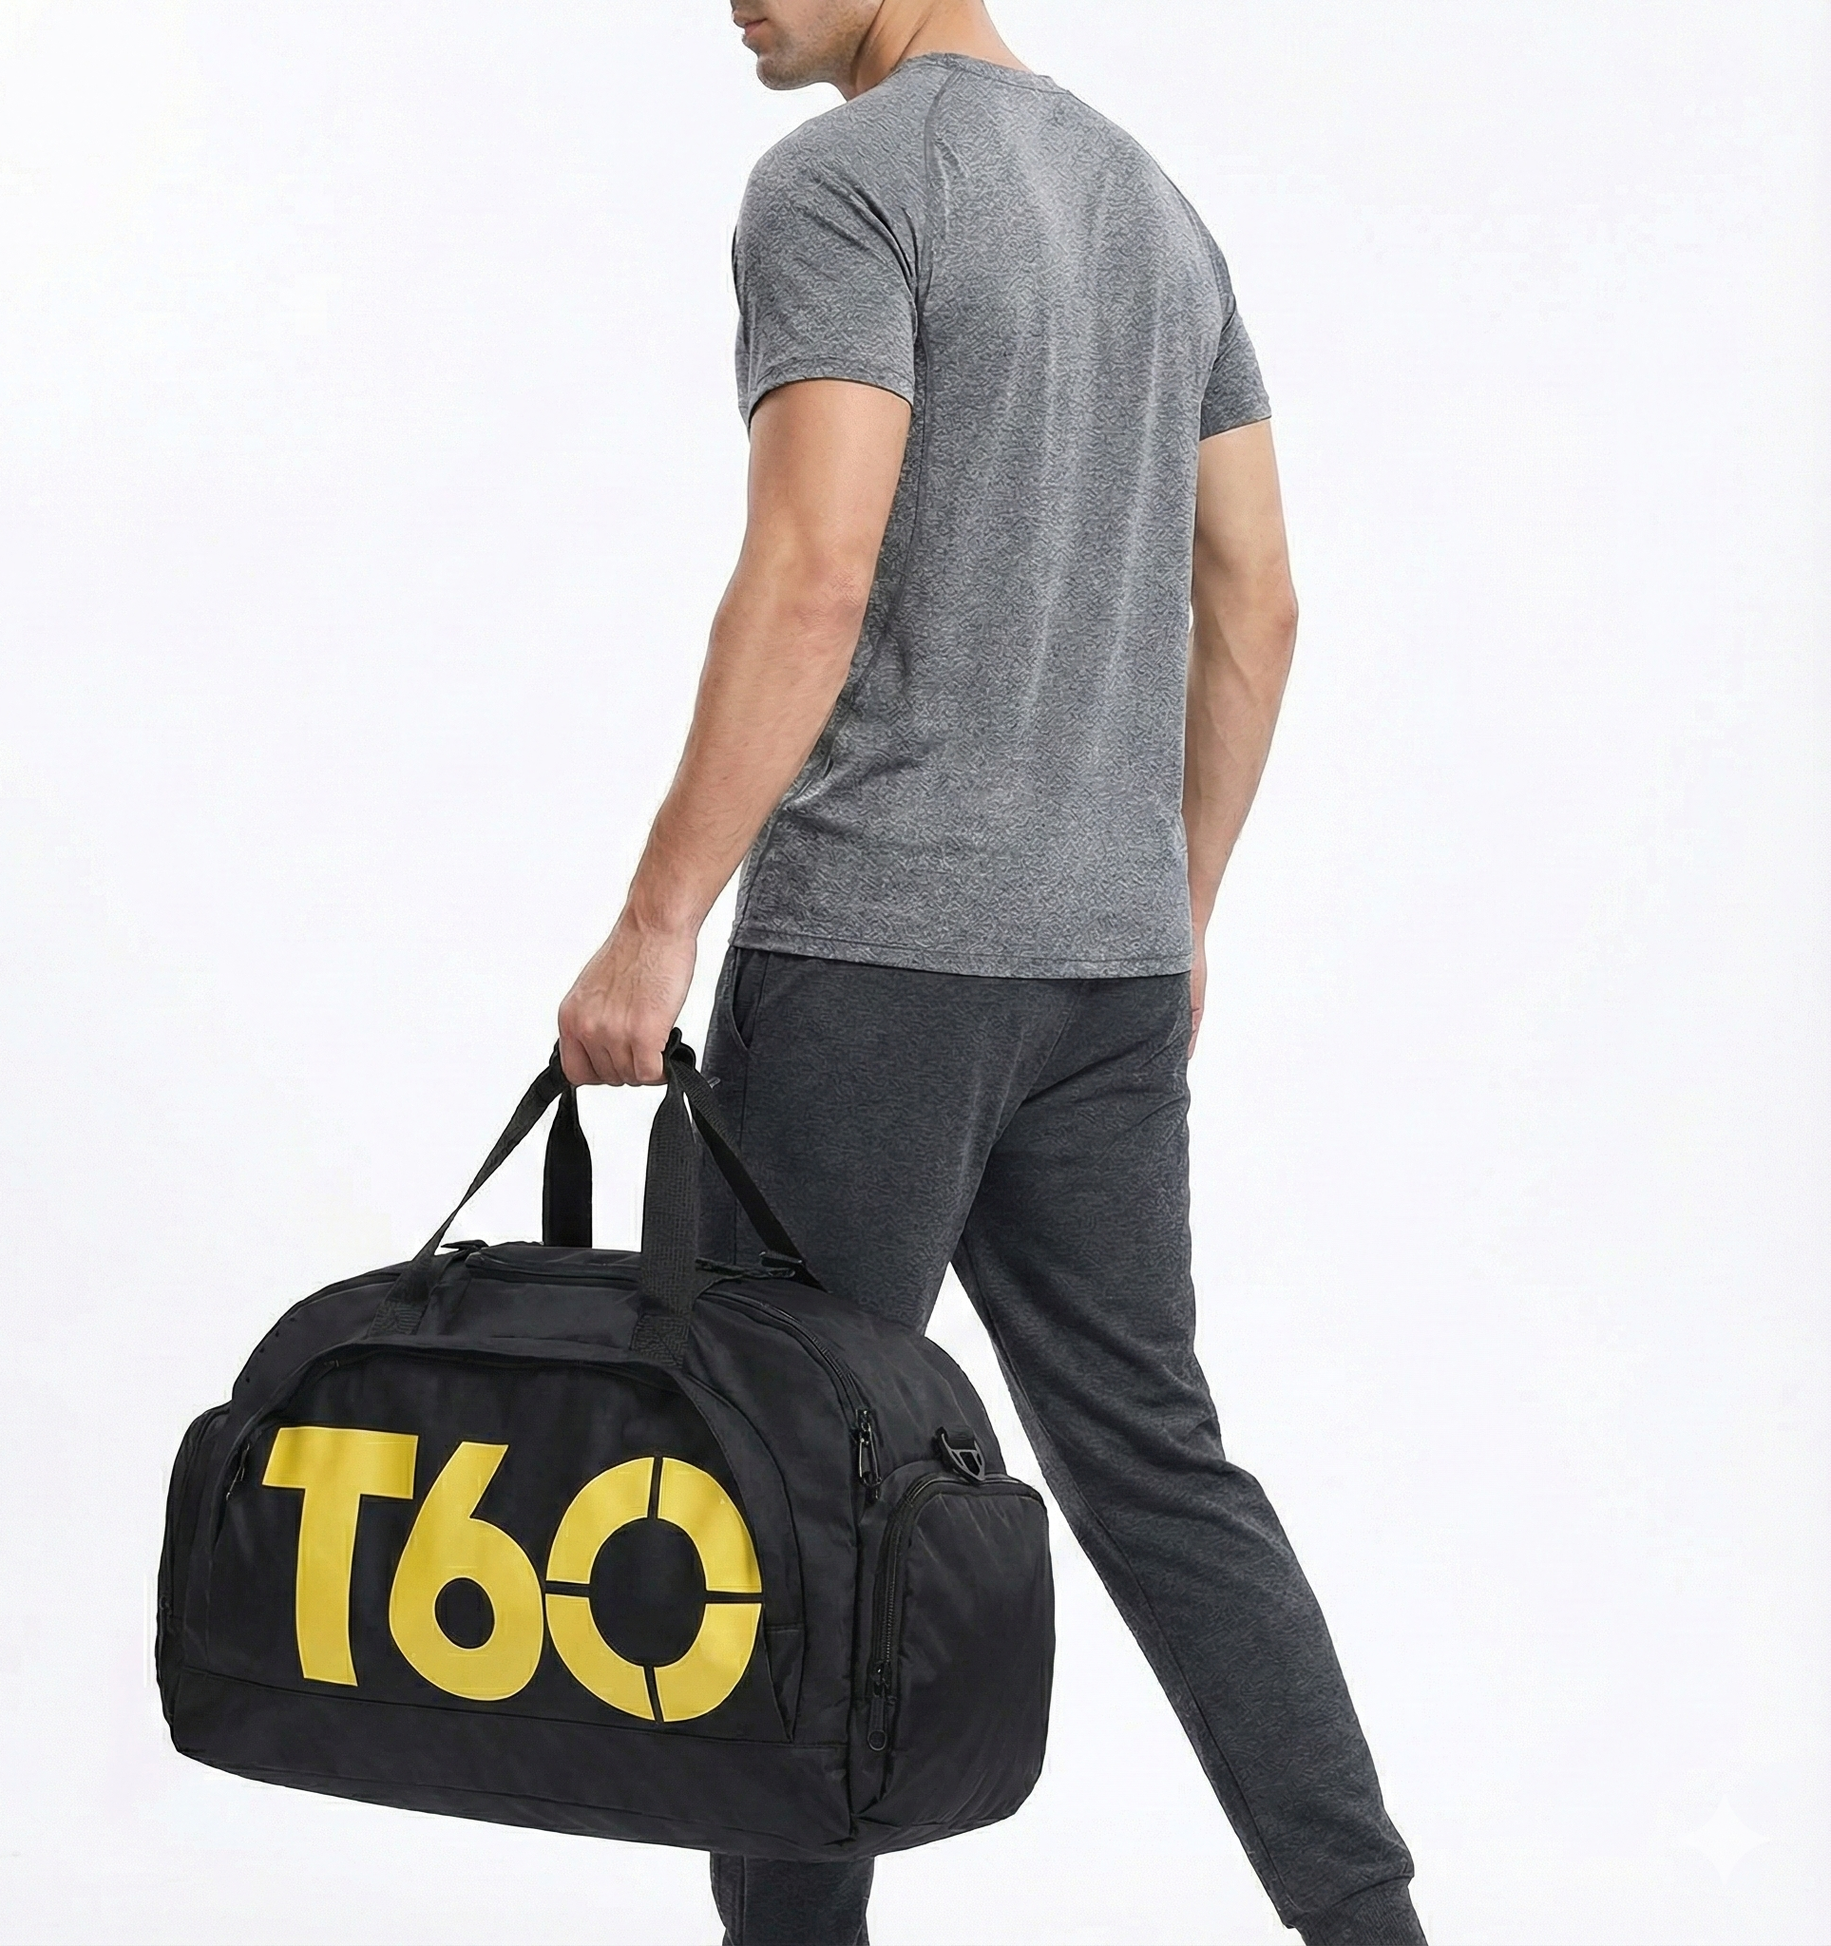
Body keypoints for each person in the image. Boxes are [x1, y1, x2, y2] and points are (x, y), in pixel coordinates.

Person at [557, 2, 1429, 1941]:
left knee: (787, 1482)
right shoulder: (1152, 208)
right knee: (1157, 1469)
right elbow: (1257, 593)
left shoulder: (843, 186)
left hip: (877, 956)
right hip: (1102, 973)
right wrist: (1177, 903)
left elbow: (815, 571)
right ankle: (1370, 1924)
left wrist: (658, 915)